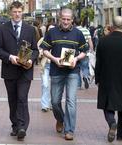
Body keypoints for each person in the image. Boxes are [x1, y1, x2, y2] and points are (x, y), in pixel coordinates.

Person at [39, 8, 87, 140]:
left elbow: (84, 51)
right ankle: (60, 119)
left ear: (72, 20)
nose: (66, 21)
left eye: (68, 19)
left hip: (72, 71)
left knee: (71, 101)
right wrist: (54, 59)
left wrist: (76, 59)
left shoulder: (78, 34)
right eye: (63, 19)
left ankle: (69, 130)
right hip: (56, 71)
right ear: (59, 19)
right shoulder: (52, 32)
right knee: (54, 102)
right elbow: (44, 50)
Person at [0, 1, 39, 141]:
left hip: (25, 71)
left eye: (19, 11)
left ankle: (22, 127)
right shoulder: (2, 29)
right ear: (10, 13)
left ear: (22, 12)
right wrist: (9, 57)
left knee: (22, 98)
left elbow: (36, 51)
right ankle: (15, 125)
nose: (17, 14)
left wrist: (31, 59)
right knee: (12, 100)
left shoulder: (30, 30)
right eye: (14, 11)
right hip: (10, 70)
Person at [95, 16, 122, 142]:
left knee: (107, 105)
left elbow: (99, 62)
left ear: (112, 26)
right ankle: (120, 134)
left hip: (106, 78)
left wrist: (97, 78)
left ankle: (112, 122)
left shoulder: (103, 41)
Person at [39, 24, 55, 112]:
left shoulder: (58, 39)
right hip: (45, 65)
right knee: (45, 84)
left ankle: (53, 103)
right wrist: (40, 52)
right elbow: (37, 50)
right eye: (49, 29)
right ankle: (45, 105)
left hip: (55, 66)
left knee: (54, 85)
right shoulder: (42, 40)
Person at [75, 18, 94, 89]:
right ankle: (85, 77)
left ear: (74, 23)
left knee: (76, 69)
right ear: (81, 23)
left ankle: (79, 85)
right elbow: (90, 41)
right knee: (85, 67)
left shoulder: (74, 31)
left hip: (76, 52)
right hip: (85, 51)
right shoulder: (86, 30)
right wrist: (91, 50)